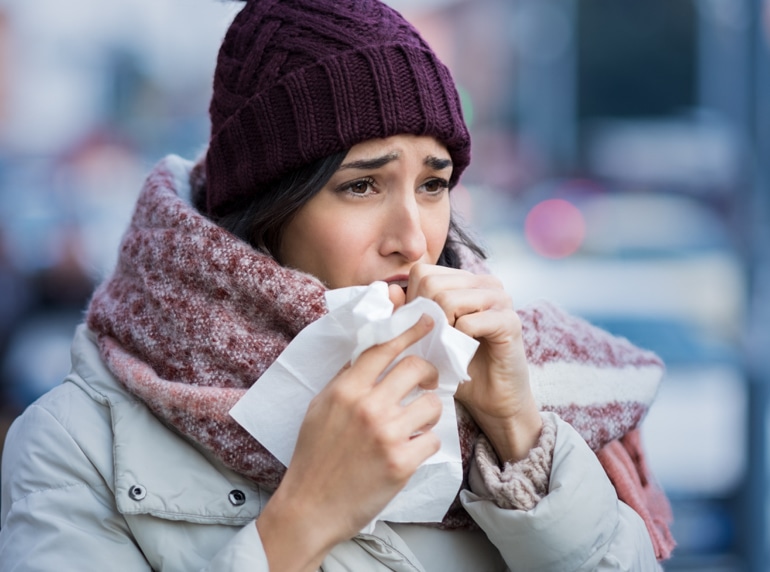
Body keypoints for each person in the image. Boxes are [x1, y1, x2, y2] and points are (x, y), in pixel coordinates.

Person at [0, 0, 675, 570]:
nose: (413, 238)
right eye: (361, 185)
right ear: (267, 208)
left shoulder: (512, 380)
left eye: (433, 183)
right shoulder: (77, 443)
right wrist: (298, 522)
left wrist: (519, 433)